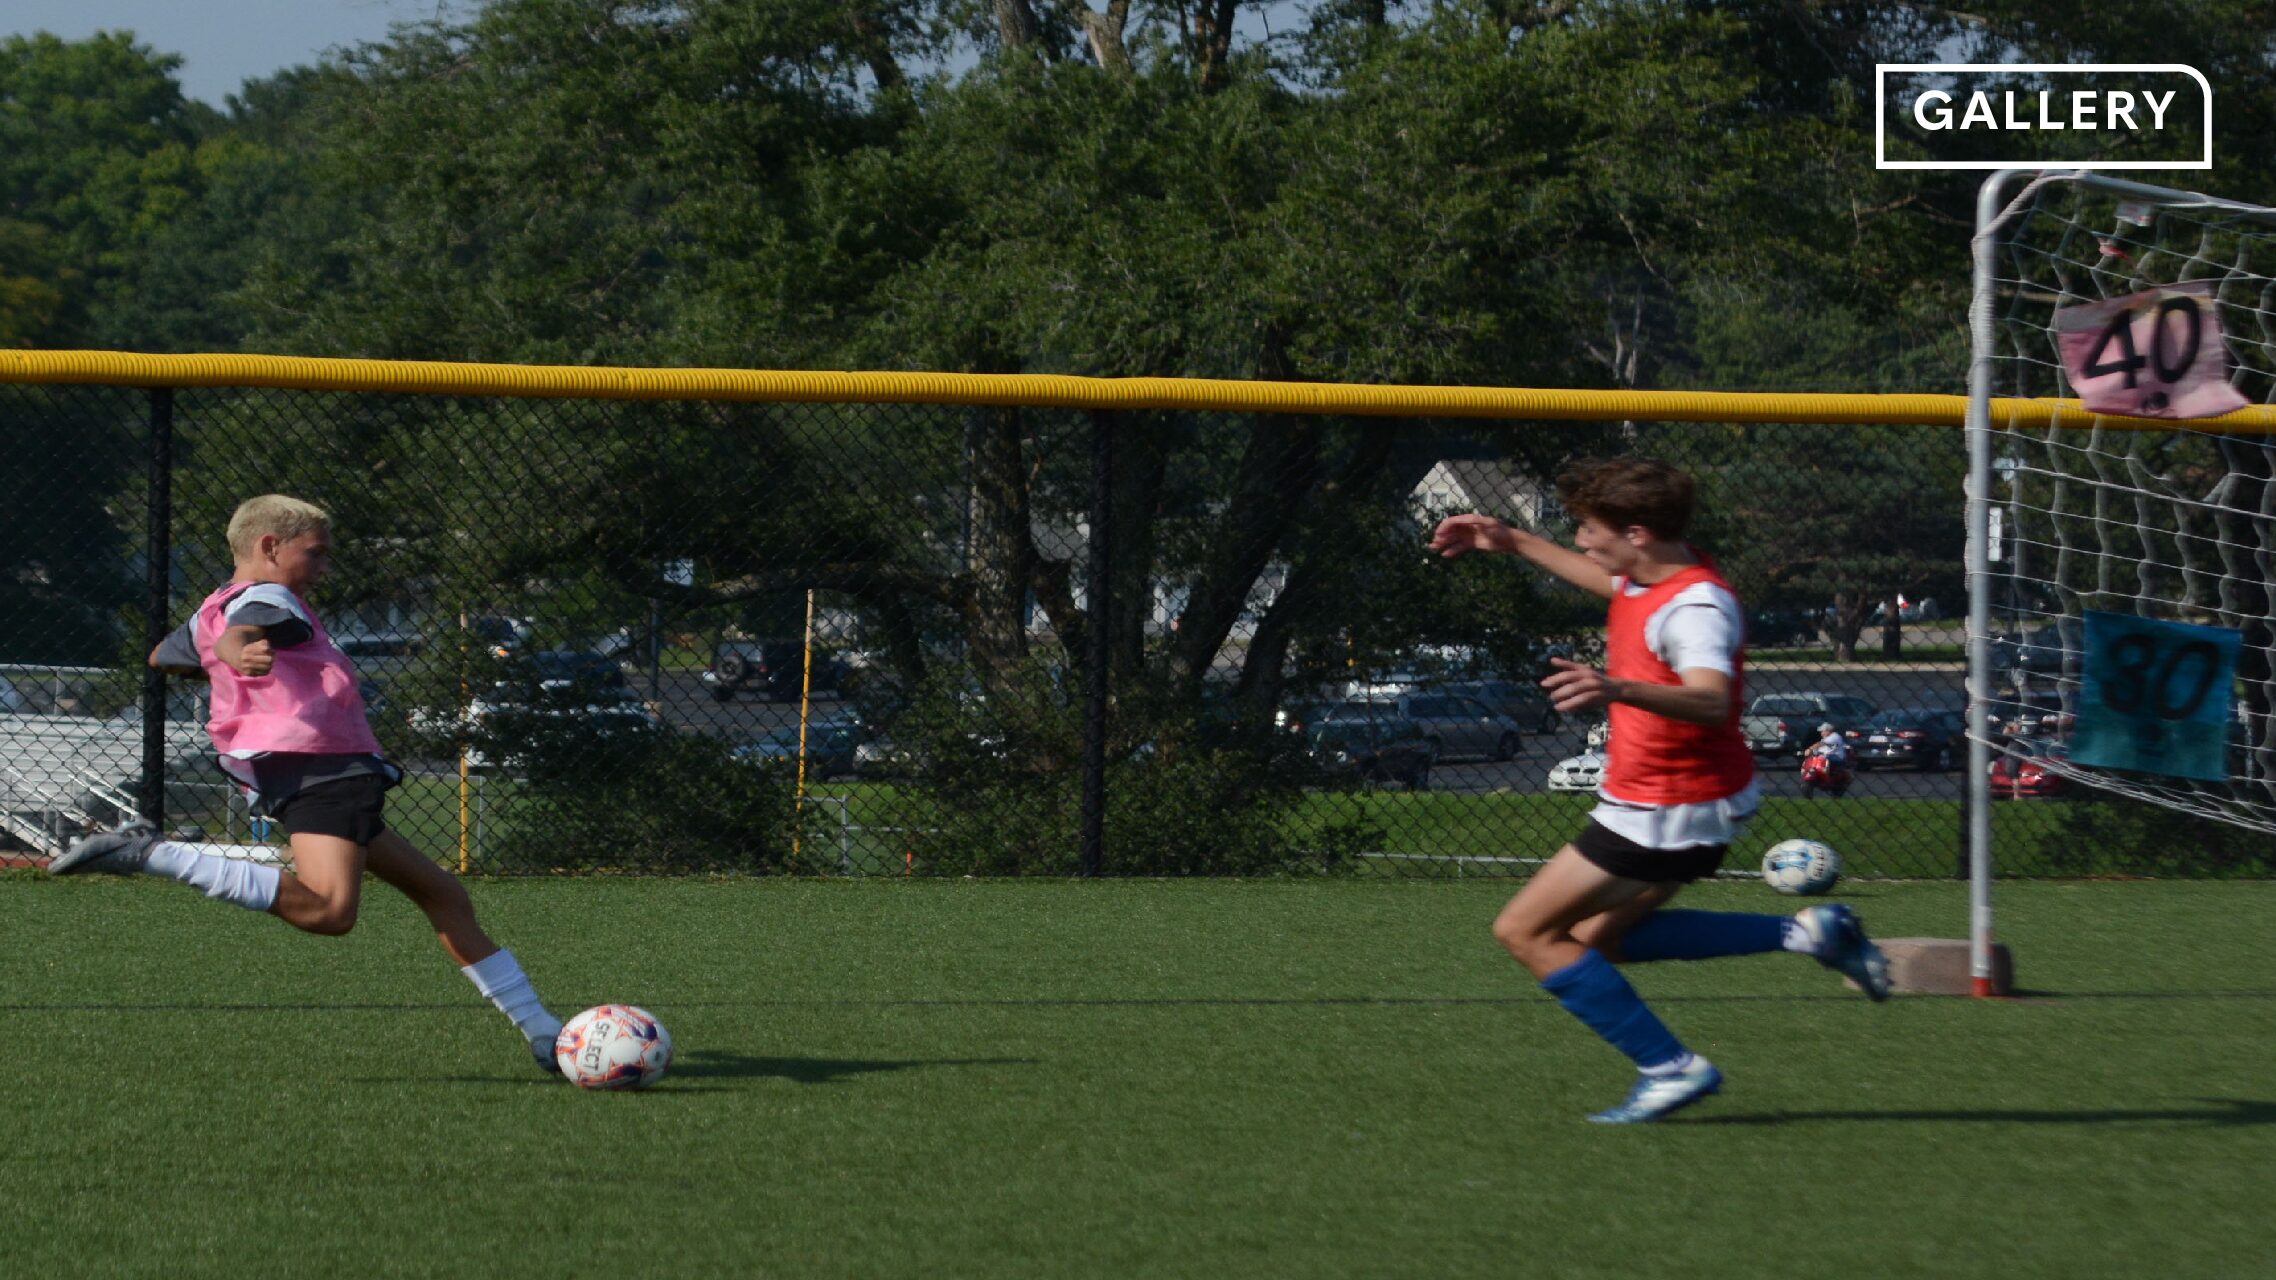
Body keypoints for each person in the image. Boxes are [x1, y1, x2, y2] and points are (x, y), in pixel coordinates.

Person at [1429, 457, 1890, 1124]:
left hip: (1668, 808)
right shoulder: (1652, 576)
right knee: (1599, 939)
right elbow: (1613, 586)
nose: (1582, 540)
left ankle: (1671, 1068)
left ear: (1637, 532)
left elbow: (1710, 700)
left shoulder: (1698, 608)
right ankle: (1810, 934)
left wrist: (1614, 687)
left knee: (1525, 931)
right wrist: (1512, 540)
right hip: (1681, 800)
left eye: (1588, 528)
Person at [48, 495, 567, 1076]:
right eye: (315, 553)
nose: (324, 567)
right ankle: (152, 853)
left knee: (443, 895)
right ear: (270, 547)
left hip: (317, 770)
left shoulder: (209, 607)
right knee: (329, 910)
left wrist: (222, 657)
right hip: (322, 767)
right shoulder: (269, 598)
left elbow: (162, 656)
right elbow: (244, 630)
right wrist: (233, 650)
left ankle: (545, 1033)